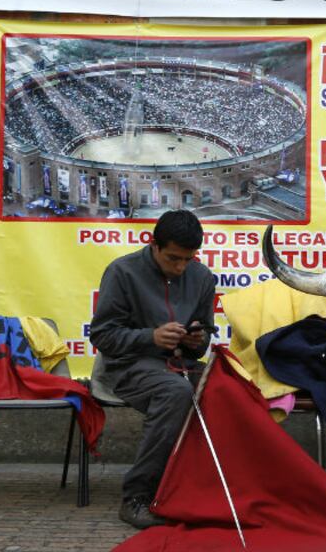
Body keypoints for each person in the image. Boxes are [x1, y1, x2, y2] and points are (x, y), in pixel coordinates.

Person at [89, 209, 216, 529]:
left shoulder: (201, 277)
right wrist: (151, 336)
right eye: (173, 258)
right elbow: (103, 336)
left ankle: (206, 491)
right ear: (153, 245)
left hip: (180, 362)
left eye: (188, 259)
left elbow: (203, 342)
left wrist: (195, 339)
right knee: (175, 392)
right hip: (127, 365)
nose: (181, 267)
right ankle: (137, 497)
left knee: (227, 388)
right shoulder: (122, 272)